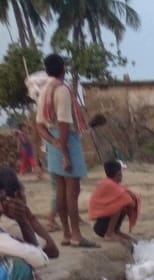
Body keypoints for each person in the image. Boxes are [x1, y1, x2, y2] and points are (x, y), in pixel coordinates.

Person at [34, 53, 97, 248]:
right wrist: (65, 153)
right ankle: (76, 235)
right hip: (66, 141)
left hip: (54, 144)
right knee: (72, 191)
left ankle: (67, 234)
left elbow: (39, 125)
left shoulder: (44, 91)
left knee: (61, 191)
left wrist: (52, 142)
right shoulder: (62, 90)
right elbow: (63, 122)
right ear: (63, 68)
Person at [88, 160, 140, 244]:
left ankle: (115, 231)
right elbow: (131, 203)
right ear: (119, 174)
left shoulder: (109, 183)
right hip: (101, 225)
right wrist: (133, 198)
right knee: (120, 204)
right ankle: (110, 233)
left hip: (103, 221)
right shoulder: (110, 185)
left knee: (121, 204)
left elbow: (126, 194)